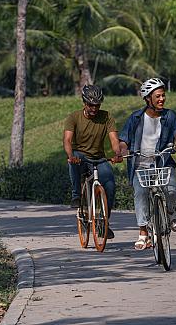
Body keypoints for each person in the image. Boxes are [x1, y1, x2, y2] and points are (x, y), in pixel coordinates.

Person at [118, 78, 176, 250]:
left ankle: (170, 214)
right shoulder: (135, 118)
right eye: (157, 96)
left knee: (171, 190)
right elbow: (124, 140)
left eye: (163, 96)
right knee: (140, 192)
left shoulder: (170, 116)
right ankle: (143, 232)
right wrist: (122, 150)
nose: (161, 99)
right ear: (148, 99)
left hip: (163, 162)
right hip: (140, 165)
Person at [63, 84, 122, 239]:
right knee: (73, 162)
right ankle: (76, 195)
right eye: (91, 105)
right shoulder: (74, 117)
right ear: (84, 103)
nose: (94, 108)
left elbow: (114, 139)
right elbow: (67, 140)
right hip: (80, 155)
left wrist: (117, 153)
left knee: (109, 183)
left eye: (97, 105)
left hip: (99, 157)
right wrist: (70, 155)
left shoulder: (107, 117)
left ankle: (104, 223)